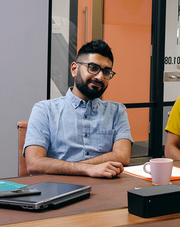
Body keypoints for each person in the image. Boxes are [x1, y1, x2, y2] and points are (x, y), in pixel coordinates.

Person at [24, 40, 132, 178]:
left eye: (106, 71)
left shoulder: (117, 111)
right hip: (57, 191)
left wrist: (75, 167)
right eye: (93, 68)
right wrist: (86, 169)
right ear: (74, 69)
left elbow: (122, 157)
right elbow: (34, 163)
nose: (100, 77)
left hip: (106, 188)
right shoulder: (44, 110)